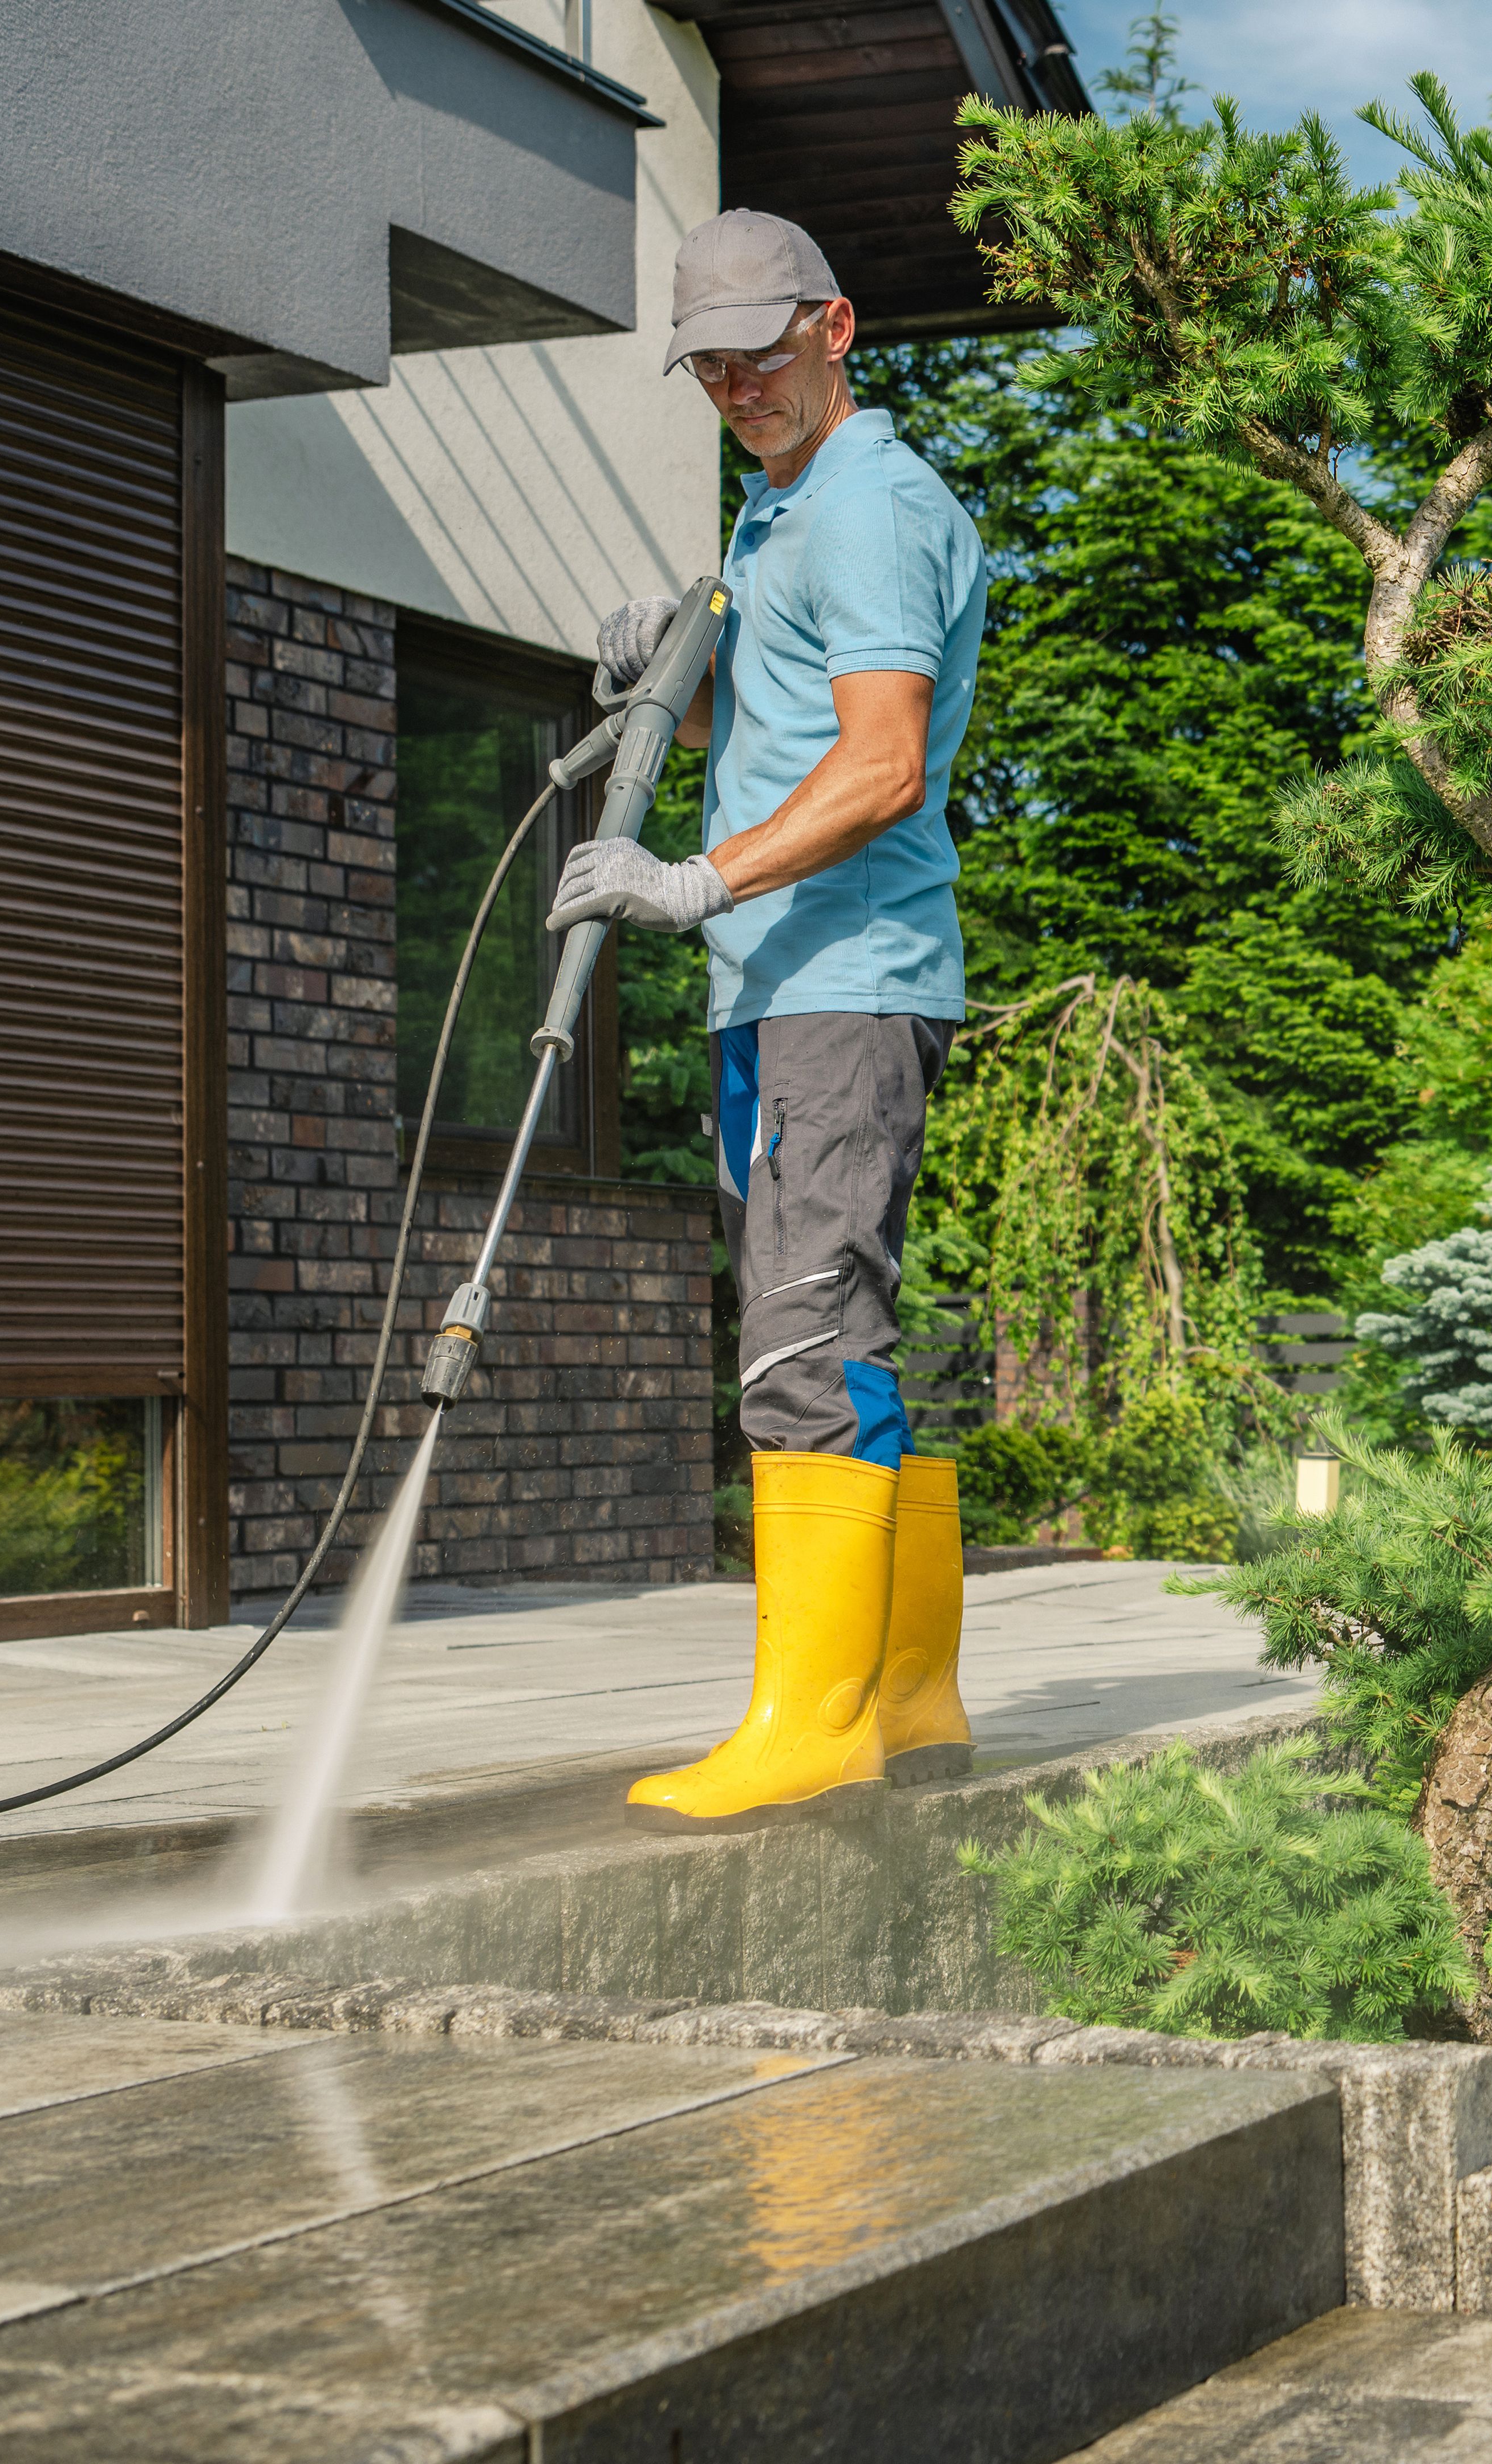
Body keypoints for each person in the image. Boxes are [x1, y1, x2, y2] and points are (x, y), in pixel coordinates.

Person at [544, 209, 985, 1830]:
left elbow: (877, 766)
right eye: (710, 362)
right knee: (839, 1324)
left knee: (796, 1340)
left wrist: (693, 884)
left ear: (838, 326)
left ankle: (812, 1719)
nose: (739, 383)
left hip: (836, 982)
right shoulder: (786, 506)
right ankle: (911, 1699)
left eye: (764, 349)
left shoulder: (867, 504)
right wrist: (679, 672)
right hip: (797, 989)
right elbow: (800, 710)